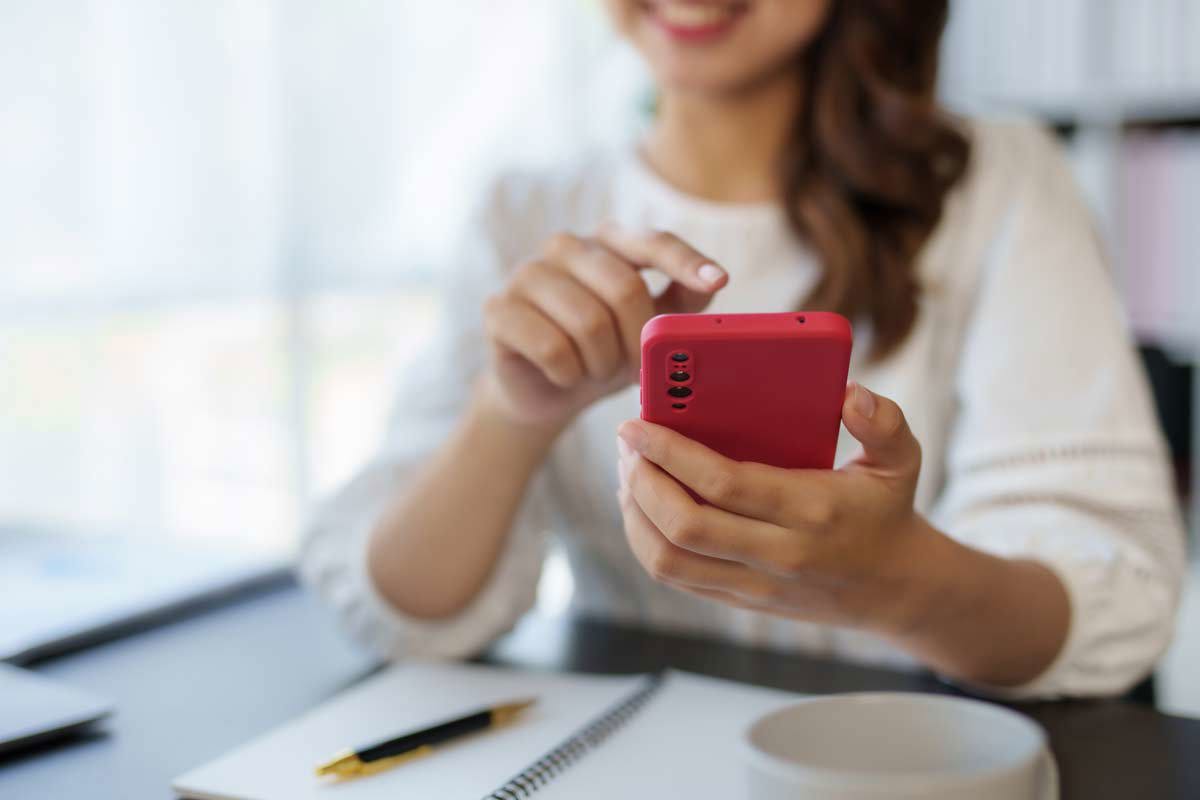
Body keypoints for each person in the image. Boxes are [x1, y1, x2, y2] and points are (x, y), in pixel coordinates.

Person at [300, 0, 1185, 697]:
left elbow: (1112, 590)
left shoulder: (995, 182)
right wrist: (512, 411)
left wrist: (893, 581)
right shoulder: (525, 212)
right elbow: (402, 612)